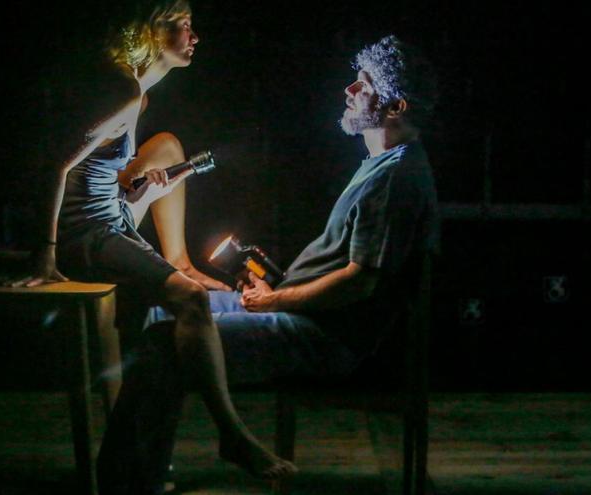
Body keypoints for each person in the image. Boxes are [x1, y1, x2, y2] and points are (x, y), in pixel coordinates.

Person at [117, 34, 440, 489]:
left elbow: (359, 282)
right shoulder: (384, 164)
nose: (349, 90)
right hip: (302, 315)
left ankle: (131, 479)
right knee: (162, 312)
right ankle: (140, 474)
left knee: (162, 340)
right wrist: (276, 292)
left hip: (322, 337)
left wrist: (275, 301)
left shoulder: (395, 179)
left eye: (364, 85)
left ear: (396, 107)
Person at [18, 1, 297, 493]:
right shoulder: (124, 92)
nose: (195, 36)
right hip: (88, 234)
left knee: (168, 151)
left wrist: (137, 193)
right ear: (151, 30)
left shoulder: (137, 95)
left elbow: (94, 174)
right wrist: (47, 254)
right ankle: (232, 435)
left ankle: (177, 260)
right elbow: (57, 167)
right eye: (183, 26)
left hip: (112, 217)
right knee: (190, 298)